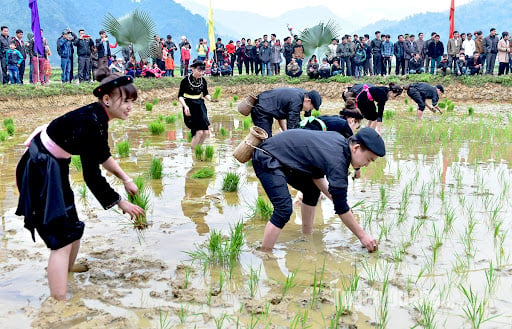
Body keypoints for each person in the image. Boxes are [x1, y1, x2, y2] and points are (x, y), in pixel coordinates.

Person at [15, 68, 144, 300]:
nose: (129, 107)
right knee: (61, 238)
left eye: (132, 102)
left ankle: (67, 268)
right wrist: (120, 202)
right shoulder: (91, 122)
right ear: (107, 99)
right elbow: (91, 175)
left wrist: (126, 179)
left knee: (72, 224)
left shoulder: (98, 117)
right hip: (41, 167)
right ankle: (59, 303)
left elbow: (102, 154)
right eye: (125, 101)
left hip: (54, 164)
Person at [252, 127, 384, 252]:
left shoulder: (339, 142)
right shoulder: (338, 160)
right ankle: (265, 253)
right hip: (268, 157)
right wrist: (363, 236)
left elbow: (317, 176)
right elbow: (341, 208)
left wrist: (340, 202)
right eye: (368, 160)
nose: (367, 165)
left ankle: (306, 237)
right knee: (284, 209)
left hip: (283, 158)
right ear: (356, 148)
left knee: (312, 190)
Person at [251, 88, 321, 137]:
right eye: (311, 108)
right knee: (265, 137)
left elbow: (283, 115)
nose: (309, 110)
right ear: (308, 101)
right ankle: (260, 155)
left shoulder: (304, 95)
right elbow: (292, 128)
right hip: (261, 109)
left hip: (269, 105)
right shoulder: (296, 102)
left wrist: (285, 132)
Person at [178, 61, 214, 148]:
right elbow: (180, 96)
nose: (201, 73)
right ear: (193, 69)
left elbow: (205, 94)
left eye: (202, 71)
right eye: (199, 70)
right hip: (190, 106)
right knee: (199, 132)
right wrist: (185, 106)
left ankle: (198, 150)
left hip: (200, 106)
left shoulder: (203, 81)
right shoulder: (185, 81)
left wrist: (211, 99)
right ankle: (193, 151)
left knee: (205, 132)